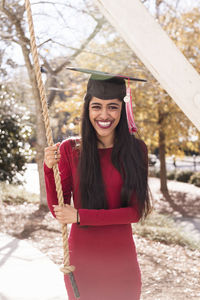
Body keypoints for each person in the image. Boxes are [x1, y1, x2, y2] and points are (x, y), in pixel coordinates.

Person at [44, 68, 151, 300]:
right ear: (87, 109)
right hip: (82, 264)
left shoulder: (136, 150)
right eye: (97, 106)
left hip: (122, 264)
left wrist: (81, 216)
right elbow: (59, 211)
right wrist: (48, 168)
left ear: (123, 110)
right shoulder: (70, 150)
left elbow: (134, 212)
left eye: (113, 106)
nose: (105, 115)